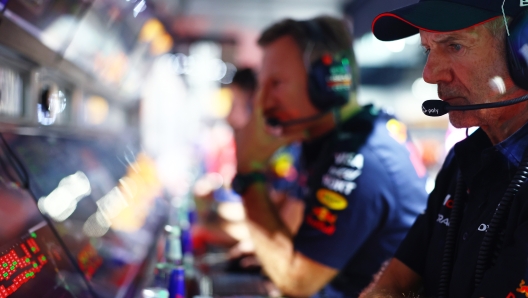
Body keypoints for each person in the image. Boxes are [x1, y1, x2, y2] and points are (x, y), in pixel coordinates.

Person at [233, 16, 428, 297]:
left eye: (276, 84)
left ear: (327, 82)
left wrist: (249, 172)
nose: (263, 104)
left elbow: (296, 282)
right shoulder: (331, 141)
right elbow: (291, 230)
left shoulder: (360, 158)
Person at [365, 1, 528, 297]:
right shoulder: (462, 162)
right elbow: (394, 282)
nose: (430, 74)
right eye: (428, 49)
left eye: (454, 46)